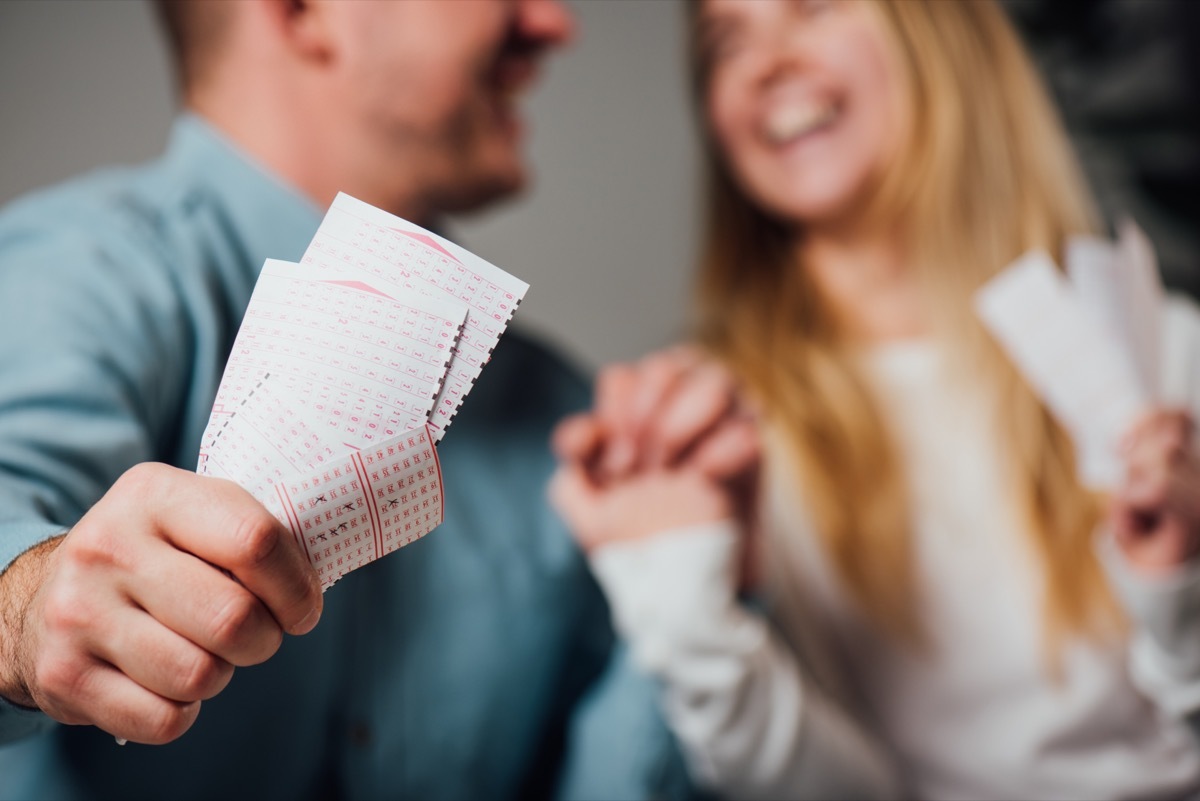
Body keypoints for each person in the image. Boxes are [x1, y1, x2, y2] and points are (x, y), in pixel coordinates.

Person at [0, 1, 691, 799]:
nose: (551, 22)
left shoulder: (571, 422)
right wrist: (25, 610)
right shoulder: (85, 275)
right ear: (302, 11)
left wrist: (691, 591)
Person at [551, 1, 1200, 799]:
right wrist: (695, 628)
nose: (767, 64)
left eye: (813, 9)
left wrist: (1178, 593)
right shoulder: (708, 430)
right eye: (726, 44)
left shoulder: (1162, 347)